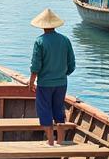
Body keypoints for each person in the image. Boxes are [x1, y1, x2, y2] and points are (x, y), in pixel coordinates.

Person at [28, 8, 75, 146]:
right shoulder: (65, 40)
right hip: (61, 82)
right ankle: (60, 140)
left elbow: (36, 65)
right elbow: (71, 63)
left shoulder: (40, 41)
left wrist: (31, 82)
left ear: (42, 25)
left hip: (44, 83)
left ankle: (50, 141)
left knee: (44, 109)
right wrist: (63, 74)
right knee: (58, 108)